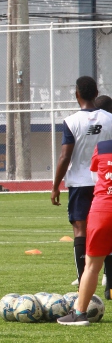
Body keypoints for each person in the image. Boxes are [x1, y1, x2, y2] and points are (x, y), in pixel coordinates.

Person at [52, 76, 112, 286]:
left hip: (79, 182)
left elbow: (65, 156)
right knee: (108, 228)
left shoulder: (71, 121)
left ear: (76, 94)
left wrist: (55, 186)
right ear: (96, 93)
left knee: (80, 229)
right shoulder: (109, 118)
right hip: (105, 181)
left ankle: (82, 279)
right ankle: (110, 285)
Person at [58, 138, 112, 325]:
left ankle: (79, 313)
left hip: (103, 209)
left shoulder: (103, 147)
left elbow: (95, 178)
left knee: (91, 267)